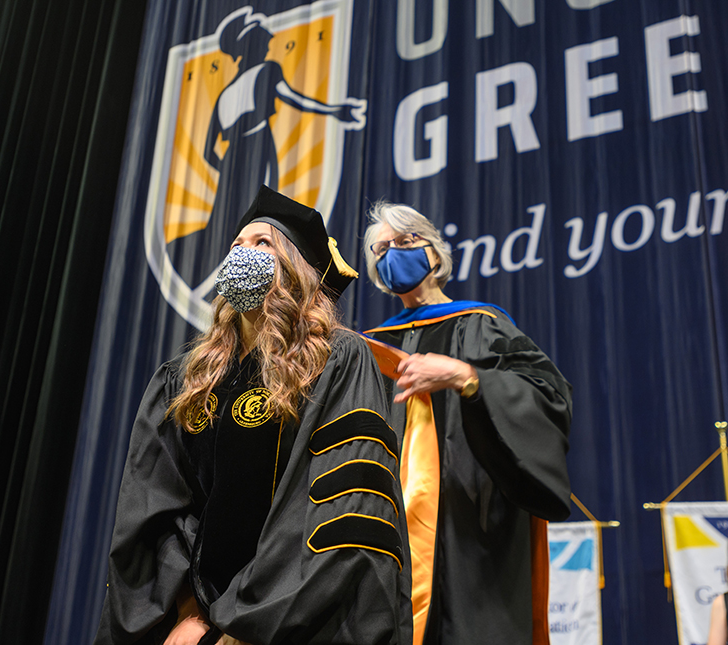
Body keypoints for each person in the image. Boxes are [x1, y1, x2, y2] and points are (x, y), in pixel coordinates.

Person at [95, 186, 411, 645]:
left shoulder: (336, 359)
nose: (243, 253)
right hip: (195, 626)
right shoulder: (187, 378)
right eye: (236, 244)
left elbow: (342, 507)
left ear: (296, 269)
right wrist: (191, 613)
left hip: (298, 619)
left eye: (263, 242)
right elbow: (158, 509)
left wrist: (246, 623)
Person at [361, 202, 572, 645]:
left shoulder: (482, 324)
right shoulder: (369, 348)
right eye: (381, 249)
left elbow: (549, 398)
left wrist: (467, 377)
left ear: (434, 253)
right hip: (389, 529)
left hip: (471, 526)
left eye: (404, 241)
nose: (392, 253)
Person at [172, 6, 367, 282]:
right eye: (263, 41)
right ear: (250, 45)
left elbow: (207, 150)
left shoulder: (225, 94)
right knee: (261, 217)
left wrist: (227, 169)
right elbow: (295, 99)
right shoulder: (267, 70)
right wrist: (334, 110)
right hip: (259, 147)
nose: (267, 46)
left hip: (231, 157)